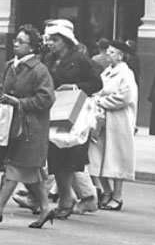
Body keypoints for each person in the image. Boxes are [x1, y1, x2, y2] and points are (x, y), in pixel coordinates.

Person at [0, 25, 55, 229]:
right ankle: (45, 208)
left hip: (30, 130)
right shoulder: (10, 66)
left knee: (13, 167)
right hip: (11, 126)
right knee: (32, 174)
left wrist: (20, 103)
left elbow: (46, 99)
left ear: (32, 48)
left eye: (21, 42)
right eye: (16, 40)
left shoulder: (39, 70)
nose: (16, 44)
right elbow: (3, 89)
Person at [42, 21, 101, 219]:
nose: (51, 43)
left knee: (69, 158)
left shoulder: (81, 59)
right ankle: (66, 198)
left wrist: (75, 87)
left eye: (55, 39)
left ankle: (67, 199)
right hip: (54, 110)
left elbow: (96, 82)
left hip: (75, 114)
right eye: (50, 39)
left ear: (66, 41)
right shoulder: (48, 59)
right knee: (55, 157)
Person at [90, 39, 137, 210]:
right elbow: (97, 88)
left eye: (111, 52)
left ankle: (117, 195)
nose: (107, 55)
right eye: (107, 51)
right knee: (98, 157)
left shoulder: (126, 74)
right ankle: (107, 191)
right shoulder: (106, 72)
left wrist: (102, 101)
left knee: (117, 157)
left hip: (119, 120)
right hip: (103, 120)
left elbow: (125, 97)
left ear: (120, 55)